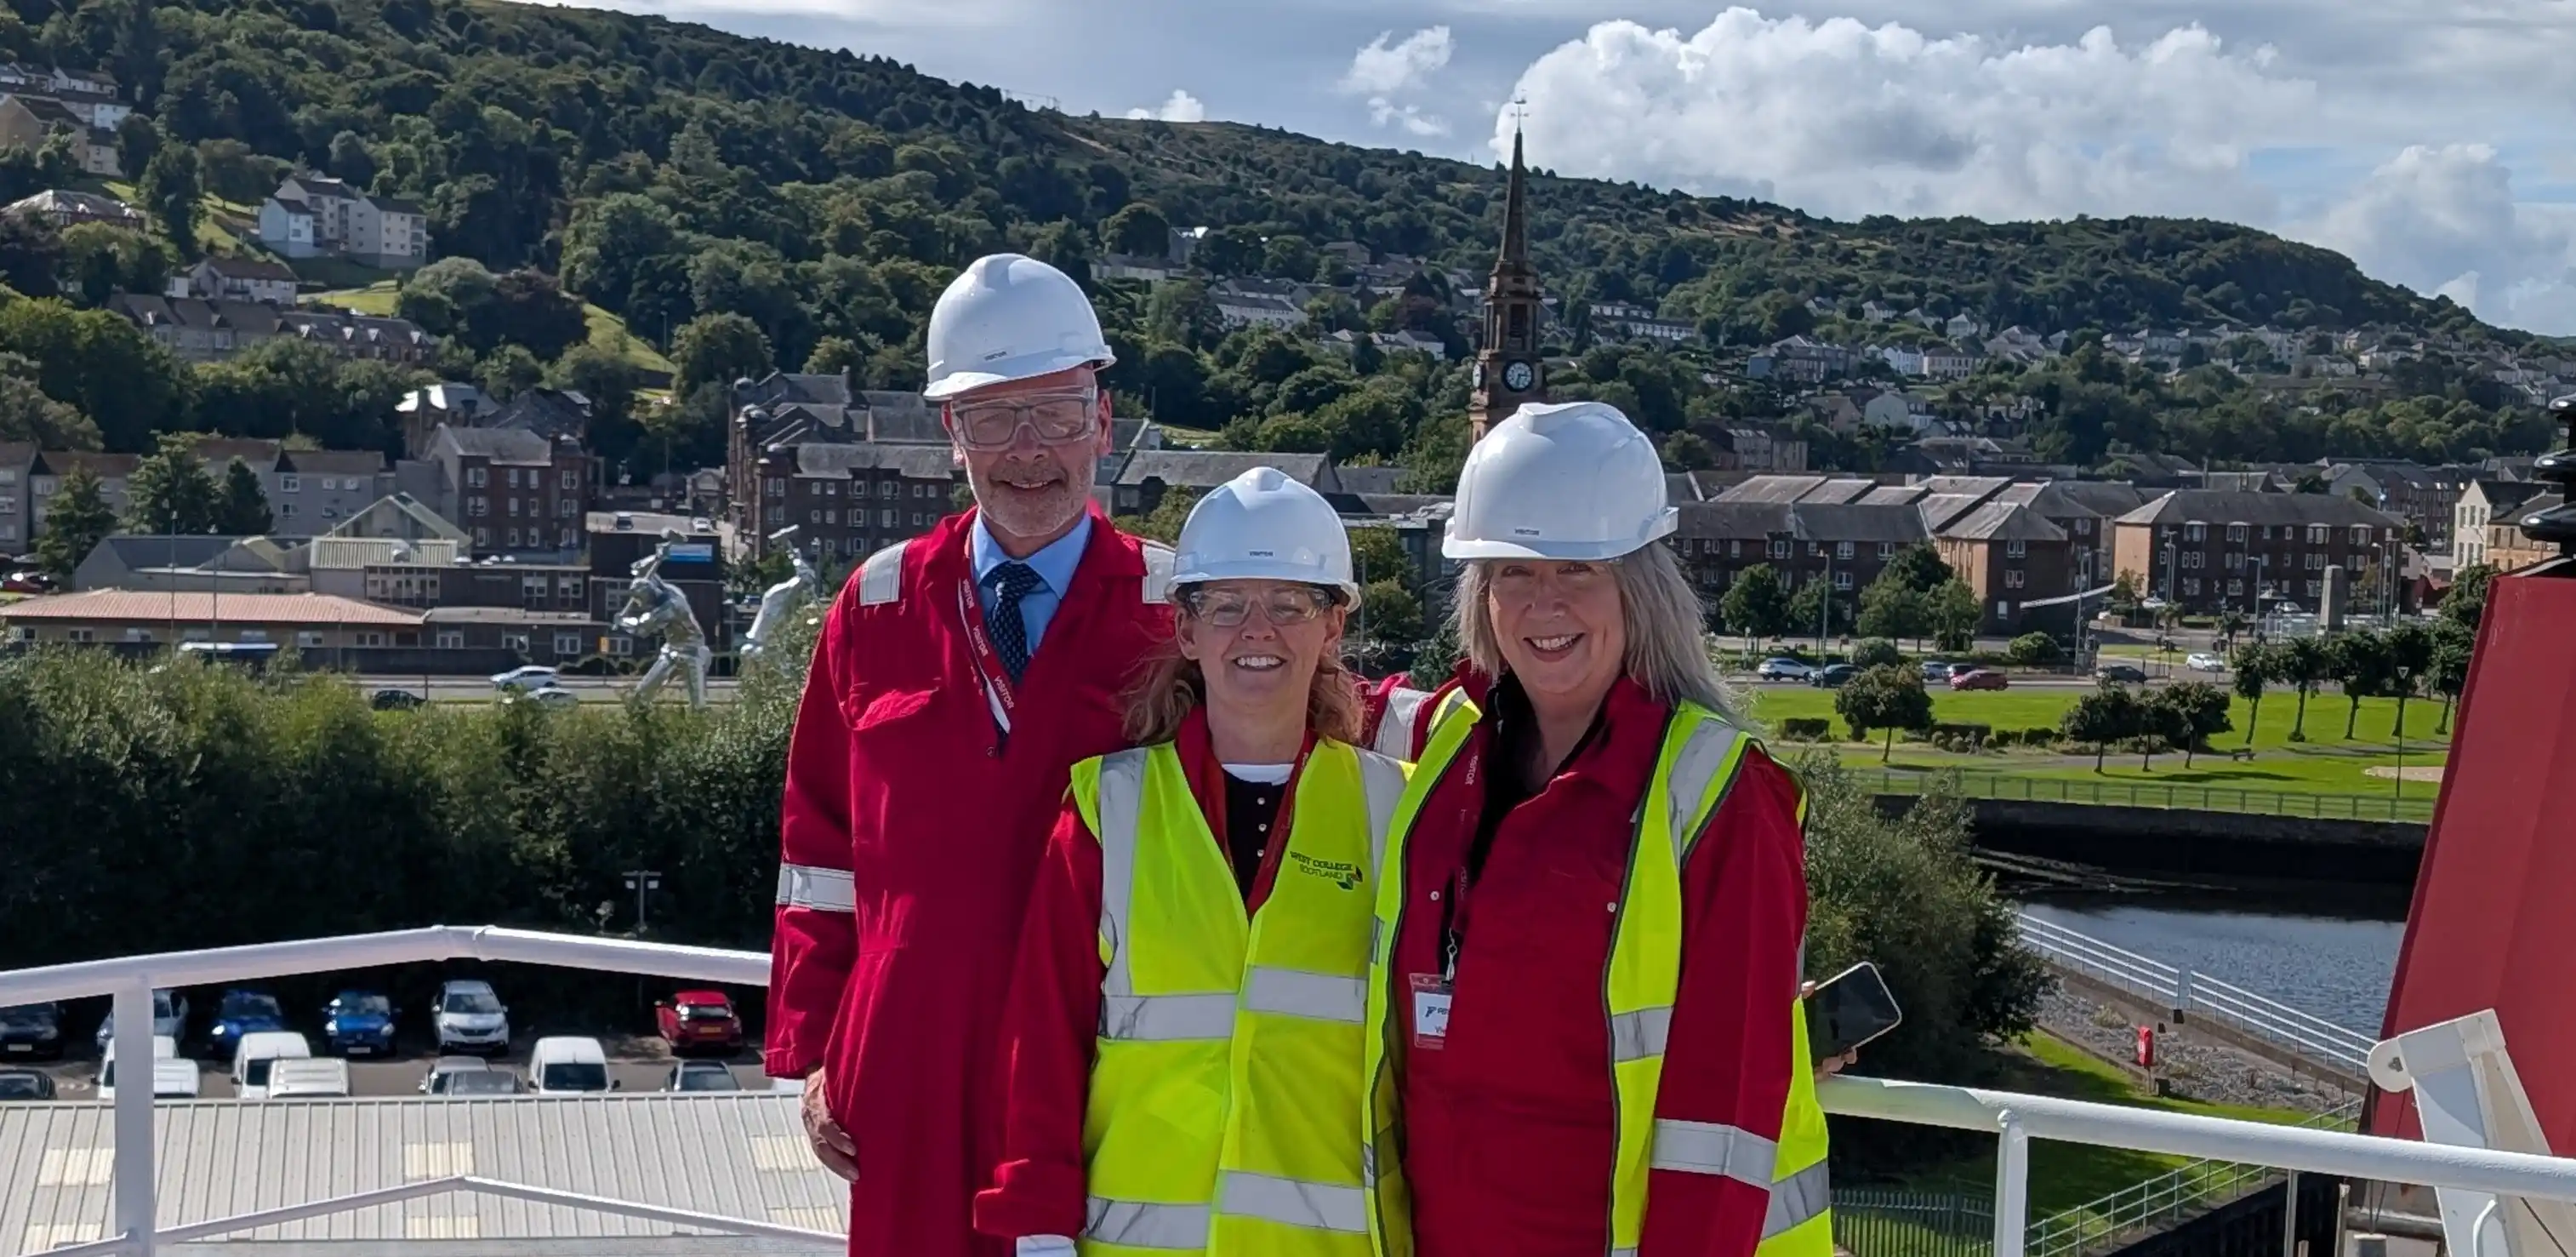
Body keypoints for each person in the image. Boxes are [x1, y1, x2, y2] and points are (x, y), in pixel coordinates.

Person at [769, 253, 1177, 1257]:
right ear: (951, 435)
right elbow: (819, 849)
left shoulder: (1181, 611)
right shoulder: (874, 604)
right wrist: (821, 1048)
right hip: (907, 1064)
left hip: (1104, 1056)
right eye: (993, 417)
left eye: (1056, 411)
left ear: (1104, 422)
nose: (1027, 449)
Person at [1361, 401, 1832, 1257]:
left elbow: (1724, 1114)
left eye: (1577, 568)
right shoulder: (1447, 745)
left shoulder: (1721, 794)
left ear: (1640, 585)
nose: (1543, 603)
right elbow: (1304, 695)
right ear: (1480, 591)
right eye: (1511, 571)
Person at [975, 467, 1410, 1257]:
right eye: (1227, 605)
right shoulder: (1110, 806)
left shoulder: (1395, 812)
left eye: (1289, 604)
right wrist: (1037, 1227)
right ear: (1185, 629)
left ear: (1333, 627)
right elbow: (1042, 1036)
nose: (1258, 630)